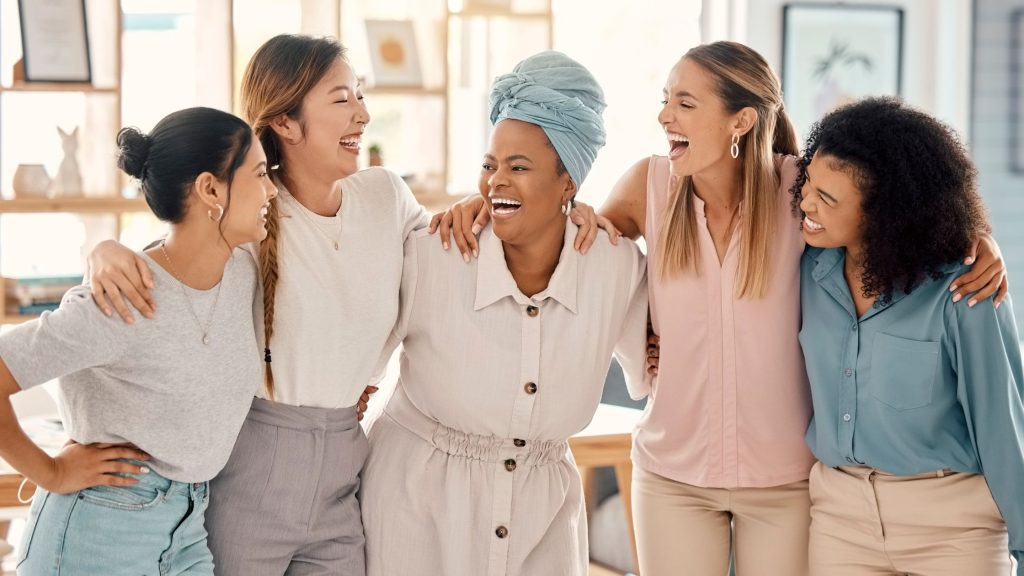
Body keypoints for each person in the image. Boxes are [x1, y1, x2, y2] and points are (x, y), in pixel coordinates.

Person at [437, 41, 1010, 576]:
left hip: (785, 480)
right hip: (672, 476)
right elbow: (567, 245)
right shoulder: (650, 186)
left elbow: (895, 209)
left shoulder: (798, 192)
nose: (665, 117)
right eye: (665, 101)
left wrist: (977, 239)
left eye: (685, 103)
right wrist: (484, 204)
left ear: (742, 121)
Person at [84, 35, 611, 576]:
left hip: (345, 465)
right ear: (286, 124)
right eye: (341, 99)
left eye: (359, 94)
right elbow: (169, 267)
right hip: (254, 465)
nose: (362, 113)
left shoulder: (385, 196)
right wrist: (102, 252)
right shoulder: (251, 216)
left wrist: (541, 206)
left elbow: (448, 258)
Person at [359, 51, 649, 576]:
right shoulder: (432, 252)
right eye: (490, 165)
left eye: (519, 167)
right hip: (414, 507)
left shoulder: (616, 269)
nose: (496, 182)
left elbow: (656, 368)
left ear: (570, 183)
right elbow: (353, 371)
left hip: (542, 517)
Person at [0, 106, 275, 575]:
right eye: (260, 174)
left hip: (188, 527)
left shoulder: (243, 271)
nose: (271, 190)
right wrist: (51, 472)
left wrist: (103, 248)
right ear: (211, 189)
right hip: (97, 531)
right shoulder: (123, 301)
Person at [796, 96, 1024, 575]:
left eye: (828, 199)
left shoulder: (964, 290)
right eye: (808, 184)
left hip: (954, 530)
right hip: (841, 521)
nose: (806, 203)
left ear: (887, 215)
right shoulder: (805, 265)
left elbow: (1005, 429)